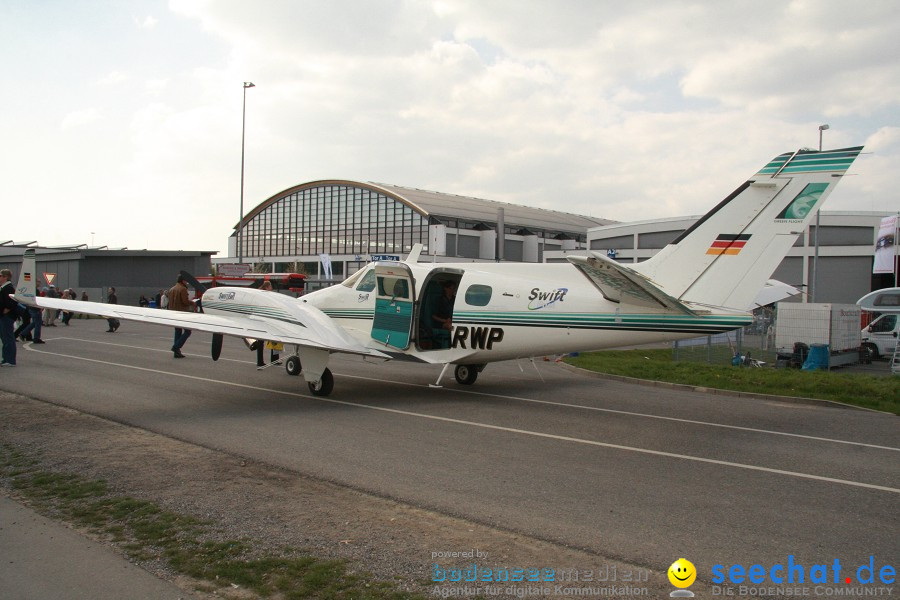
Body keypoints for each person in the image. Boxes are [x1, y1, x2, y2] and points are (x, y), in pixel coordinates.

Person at [167, 274, 195, 358]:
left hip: (173, 313)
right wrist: (192, 302)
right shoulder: (182, 289)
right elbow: (185, 302)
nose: (186, 282)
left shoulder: (172, 289)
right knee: (188, 331)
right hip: (182, 313)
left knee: (178, 331)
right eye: (186, 281)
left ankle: (177, 352)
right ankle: (176, 347)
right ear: (183, 281)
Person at [0, 269, 19, 366]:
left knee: (8, 337)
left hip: (6, 317)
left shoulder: (8, 288)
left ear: (5, 277)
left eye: (0, 276)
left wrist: (7, 309)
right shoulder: (4, 287)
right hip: (3, 316)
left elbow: (12, 302)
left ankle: (10, 360)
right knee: (4, 337)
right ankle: (6, 358)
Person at [431, 280, 456, 349]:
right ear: (445, 288)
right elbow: (433, 316)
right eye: (450, 288)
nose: (452, 290)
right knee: (452, 327)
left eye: (453, 289)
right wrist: (445, 320)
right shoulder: (439, 300)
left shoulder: (455, 300)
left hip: (453, 321)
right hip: (440, 323)